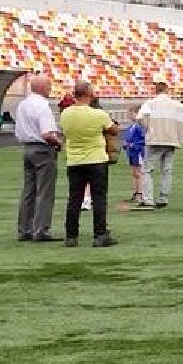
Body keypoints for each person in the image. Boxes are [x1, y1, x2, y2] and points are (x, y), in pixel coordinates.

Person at [58, 82, 119, 247]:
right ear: (89, 95)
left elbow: (64, 132)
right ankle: (100, 234)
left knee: (74, 199)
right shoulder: (99, 114)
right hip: (97, 159)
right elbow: (114, 130)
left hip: (75, 160)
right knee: (99, 198)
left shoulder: (65, 114)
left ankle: (71, 236)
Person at [14, 73, 63, 242]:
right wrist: (58, 143)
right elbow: (47, 133)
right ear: (43, 88)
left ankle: (24, 229)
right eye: (49, 86)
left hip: (27, 148)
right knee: (45, 191)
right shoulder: (42, 106)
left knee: (28, 191)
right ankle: (41, 229)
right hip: (42, 149)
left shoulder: (23, 104)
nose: (50, 89)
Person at [135, 82, 183, 209]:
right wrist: (178, 128)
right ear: (167, 90)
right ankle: (163, 198)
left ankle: (148, 199)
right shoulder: (176, 104)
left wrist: (148, 128)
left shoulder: (150, 103)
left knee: (147, 169)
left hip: (155, 139)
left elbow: (140, 117)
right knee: (167, 170)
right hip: (171, 139)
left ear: (156, 90)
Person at [120, 106, 147, 204]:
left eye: (131, 113)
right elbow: (128, 138)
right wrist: (125, 144)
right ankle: (136, 192)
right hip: (132, 153)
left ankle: (140, 193)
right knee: (134, 173)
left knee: (139, 173)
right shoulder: (131, 126)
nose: (129, 115)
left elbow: (144, 139)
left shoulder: (140, 126)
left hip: (138, 152)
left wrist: (134, 144)